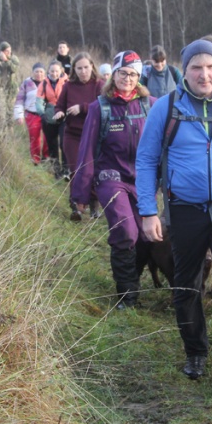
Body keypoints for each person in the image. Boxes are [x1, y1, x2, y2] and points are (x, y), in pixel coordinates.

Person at [136, 38, 212, 386]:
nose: (204, 75)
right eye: (196, 68)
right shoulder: (166, 108)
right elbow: (145, 160)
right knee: (186, 282)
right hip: (184, 208)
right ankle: (195, 352)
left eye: (211, 67)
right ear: (184, 71)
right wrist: (148, 210)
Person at [72, 51, 153, 309]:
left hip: (142, 180)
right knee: (125, 231)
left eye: (133, 74)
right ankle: (127, 297)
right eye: (123, 73)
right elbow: (86, 151)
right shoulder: (100, 108)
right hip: (111, 178)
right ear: (114, 75)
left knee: (145, 235)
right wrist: (80, 194)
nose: (128, 79)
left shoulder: (150, 105)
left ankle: (133, 281)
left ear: (139, 77)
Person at [55, 53, 101, 217]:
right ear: (74, 69)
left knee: (92, 170)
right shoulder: (68, 86)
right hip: (72, 135)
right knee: (76, 169)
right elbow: (59, 106)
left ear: (92, 67)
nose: (83, 71)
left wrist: (82, 108)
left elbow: (102, 105)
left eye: (86, 67)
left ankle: (93, 203)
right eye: (79, 68)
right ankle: (76, 205)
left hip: (93, 135)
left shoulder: (99, 85)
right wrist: (59, 113)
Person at [13, 62, 50, 165]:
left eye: (41, 72)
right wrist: (19, 115)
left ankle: (47, 157)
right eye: (36, 71)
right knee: (34, 138)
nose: (39, 74)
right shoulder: (27, 83)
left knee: (48, 137)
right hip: (32, 115)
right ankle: (35, 159)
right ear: (32, 72)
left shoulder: (48, 82)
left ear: (44, 73)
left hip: (46, 114)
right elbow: (19, 99)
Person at [38, 61, 67, 178]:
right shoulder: (44, 83)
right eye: (52, 71)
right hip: (49, 117)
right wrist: (42, 114)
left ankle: (66, 169)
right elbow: (39, 100)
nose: (54, 73)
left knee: (64, 143)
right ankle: (56, 171)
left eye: (56, 71)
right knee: (52, 145)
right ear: (48, 71)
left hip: (64, 117)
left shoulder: (67, 82)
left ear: (61, 71)